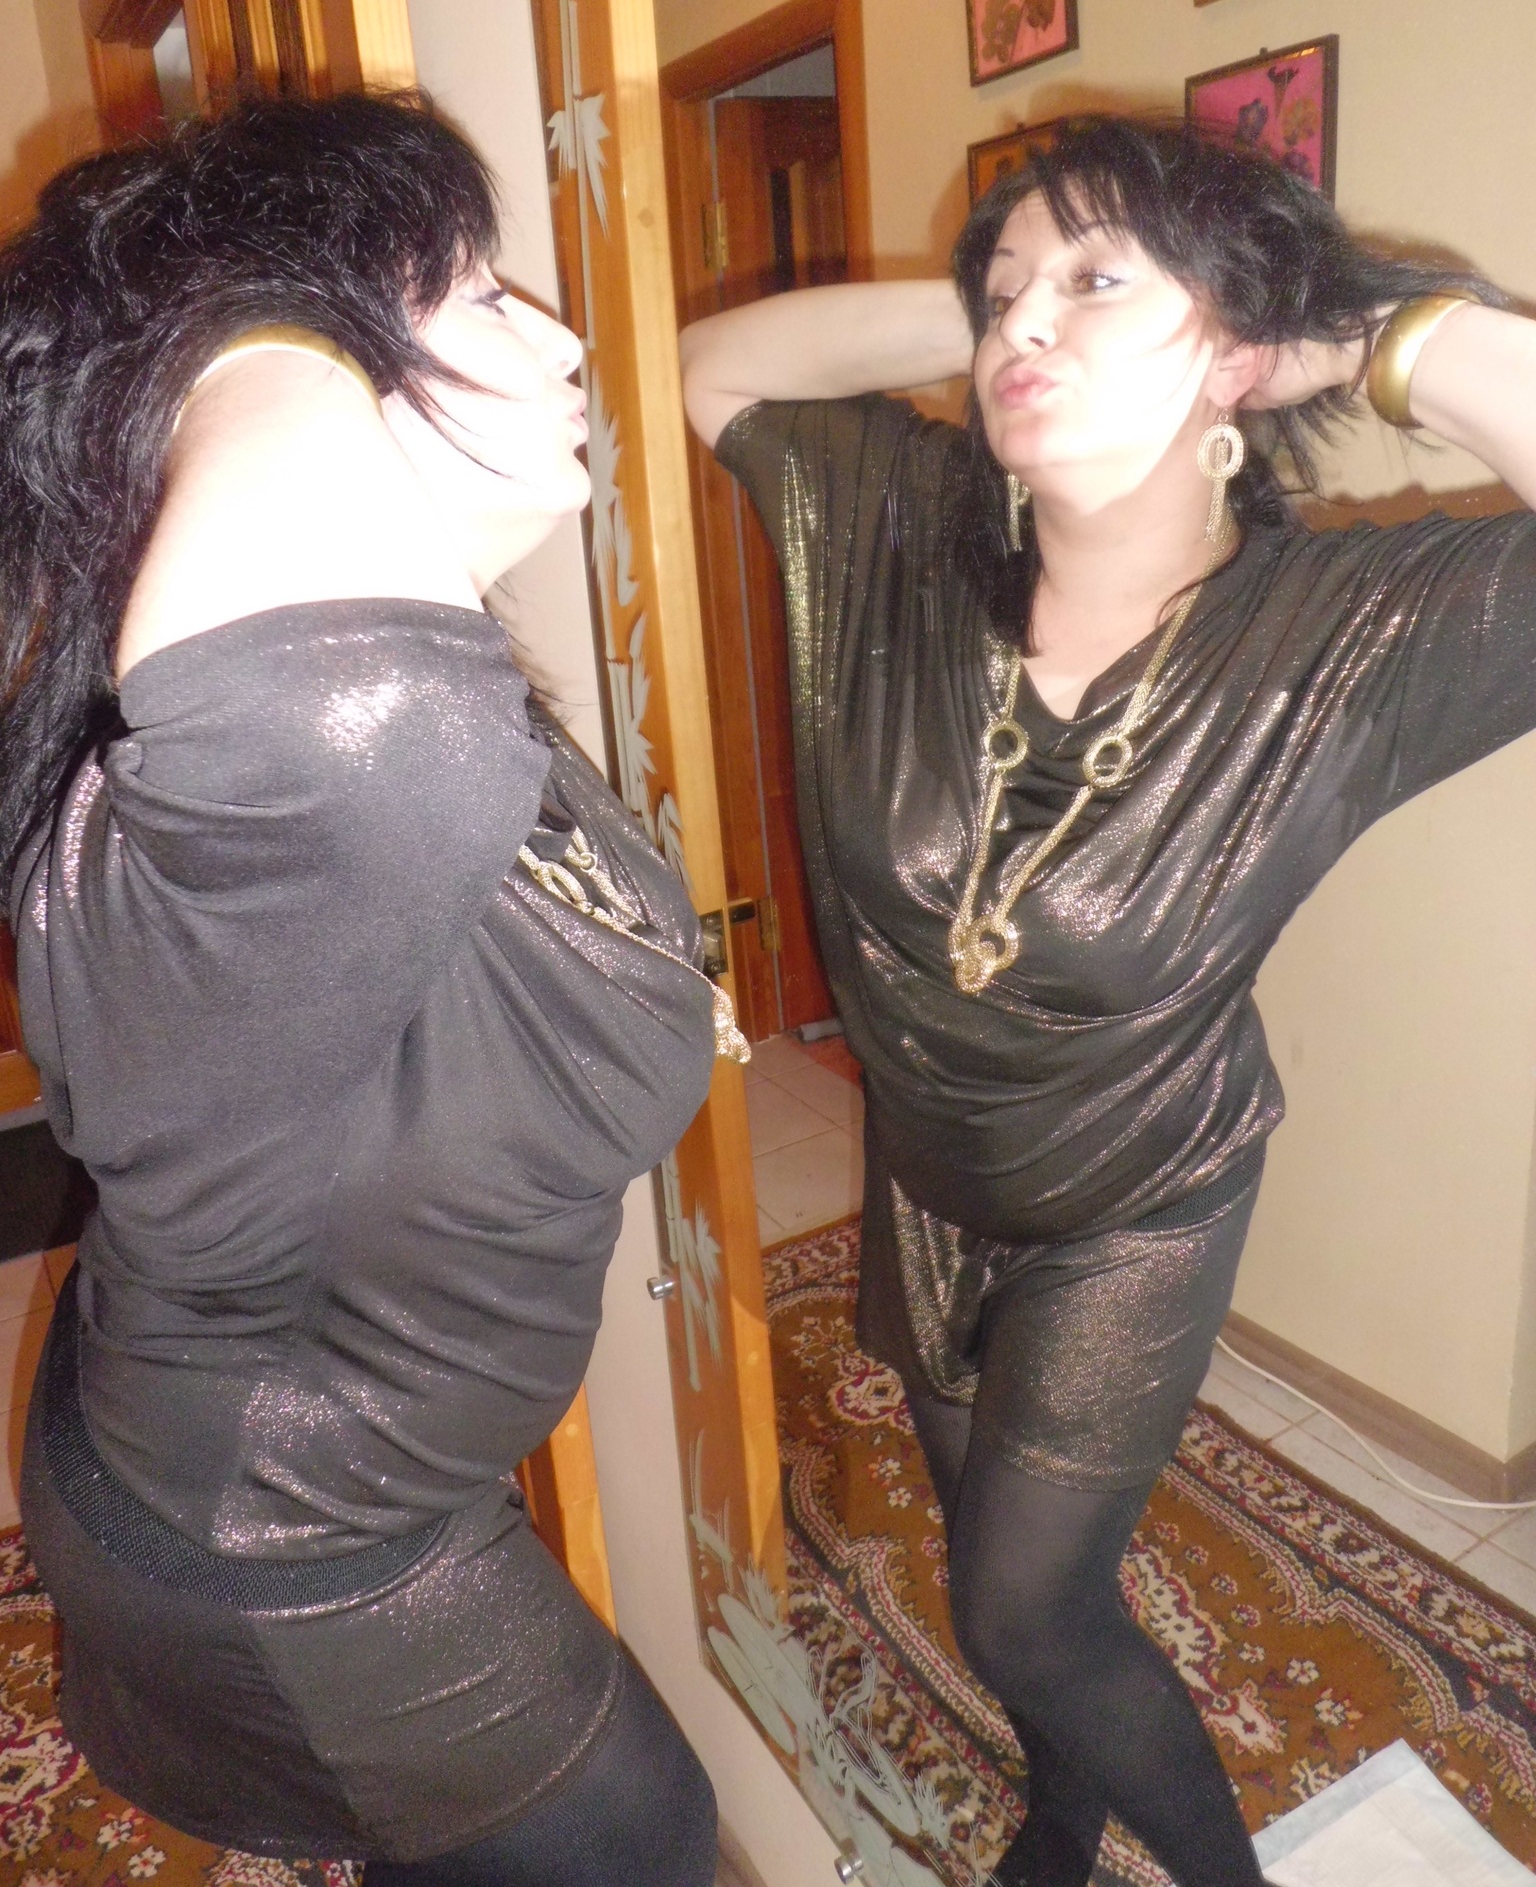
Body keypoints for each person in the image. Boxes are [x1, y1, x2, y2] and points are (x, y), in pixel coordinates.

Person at [678, 112, 1536, 1887]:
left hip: (1136, 1203)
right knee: (993, 1568)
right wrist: (999, 317)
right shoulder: (905, 532)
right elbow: (714, 371)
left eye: (1093, 281)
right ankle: (1063, 1810)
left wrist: (1362, 334)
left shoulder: (1347, 638)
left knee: (1025, 1608)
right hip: (931, 1176)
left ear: (1234, 353)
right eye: (1003, 290)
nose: (1022, 324)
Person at [0, 91, 732, 1885]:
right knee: (639, 1841)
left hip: (288, 1436)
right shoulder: (313, 778)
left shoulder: (443, 700)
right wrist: (236, 309)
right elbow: (365, 730)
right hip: (292, 1540)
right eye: (473, 292)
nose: (558, 338)